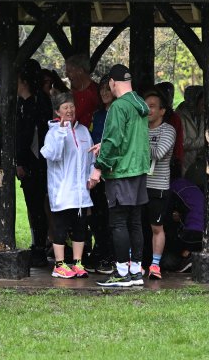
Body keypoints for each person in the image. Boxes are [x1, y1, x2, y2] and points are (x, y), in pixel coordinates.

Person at [88, 64, 151, 288]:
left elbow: (115, 140)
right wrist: (102, 144)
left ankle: (122, 273)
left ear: (113, 83)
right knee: (135, 222)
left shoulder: (118, 107)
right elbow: (129, 138)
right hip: (138, 171)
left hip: (121, 172)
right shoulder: (140, 104)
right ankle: (136, 272)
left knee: (118, 222)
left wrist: (98, 168)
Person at [41, 92, 95, 278]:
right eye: (65, 107)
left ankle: (78, 263)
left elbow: (90, 157)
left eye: (71, 106)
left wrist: (92, 175)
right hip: (62, 191)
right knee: (60, 228)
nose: (70, 110)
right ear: (57, 111)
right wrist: (62, 132)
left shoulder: (83, 131)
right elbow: (53, 155)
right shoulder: (53, 133)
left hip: (81, 191)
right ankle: (59, 265)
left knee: (80, 227)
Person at [16, 59, 53, 267]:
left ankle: (39, 248)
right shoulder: (23, 103)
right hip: (32, 162)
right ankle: (37, 244)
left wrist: (22, 161)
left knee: (37, 206)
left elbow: (30, 136)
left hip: (36, 163)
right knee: (34, 207)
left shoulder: (37, 103)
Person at [143, 90, 176, 280]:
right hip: (138, 184)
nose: (148, 110)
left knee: (157, 226)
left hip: (158, 186)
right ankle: (136, 262)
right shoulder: (139, 127)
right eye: (145, 105)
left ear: (162, 110)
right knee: (136, 225)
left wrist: (138, 139)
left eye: (153, 106)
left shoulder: (168, 130)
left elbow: (157, 153)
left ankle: (155, 265)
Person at [86, 76, 115, 274]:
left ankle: (109, 255)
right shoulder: (97, 115)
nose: (104, 92)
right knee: (96, 215)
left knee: (110, 216)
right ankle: (99, 249)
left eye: (108, 89)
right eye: (101, 89)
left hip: (112, 170)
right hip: (95, 169)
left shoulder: (119, 113)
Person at [166, 177, 205, 272]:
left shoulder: (173, 188)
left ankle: (187, 257)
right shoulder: (193, 187)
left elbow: (168, 214)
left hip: (190, 232)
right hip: (204, 232)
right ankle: (190, 255)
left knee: (167, 261)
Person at [65, 54, 101, 128]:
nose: (66, 75)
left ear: (80, 71)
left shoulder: (96, 92)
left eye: (69, 71)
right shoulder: (72, 92)